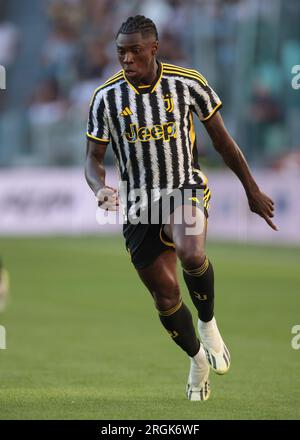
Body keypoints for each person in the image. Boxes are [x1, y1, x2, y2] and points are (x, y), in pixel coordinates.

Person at [85, 15, 277, 401]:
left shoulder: (188, 82)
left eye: (135, 51)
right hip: (139, 204)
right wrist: (99, 189)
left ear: (154, 49)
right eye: (121, 52)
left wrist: (251, 190)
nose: (127, 59)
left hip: (183, 187)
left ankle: (208, 325)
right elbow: (92, 158)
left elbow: (223, 142)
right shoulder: (105, 97)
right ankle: (196, 358)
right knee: (166, 297)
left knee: (192, 252)